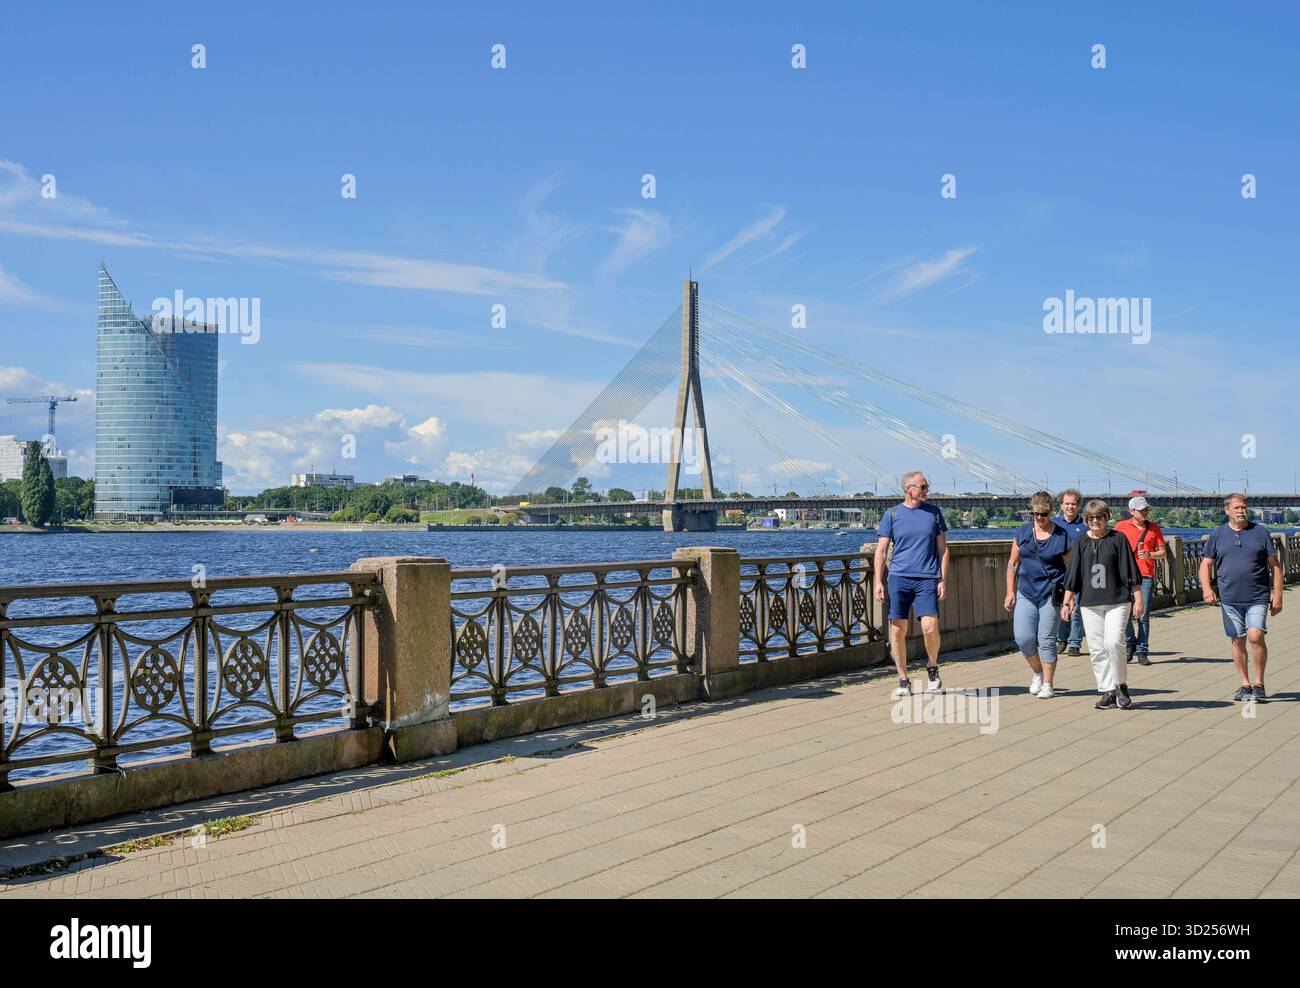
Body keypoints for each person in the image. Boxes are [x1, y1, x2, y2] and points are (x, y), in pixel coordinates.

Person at [1199, 493, 1284, 702]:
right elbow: (1205, 564)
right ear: (1227, 510)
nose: (1241, 511)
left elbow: (1275, 566)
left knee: (1255, 635)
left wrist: (1278, 595)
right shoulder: (1218, 534)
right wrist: (1207, 589)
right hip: (1229, 598)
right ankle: (1245, 684)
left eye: (1243, 507)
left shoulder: (1260, 532)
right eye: (1236, 507)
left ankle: (1259, 684)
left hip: (1257, 596)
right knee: (1237, 640)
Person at [1060, 499, 1144, 709]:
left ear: (1107, 518)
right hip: (1090, 603)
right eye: (1090, 517)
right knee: (1097, 648)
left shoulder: (1118, 539)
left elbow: (1129, 570)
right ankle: (1108, 691)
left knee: (1114, 643)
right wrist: (1066, 602)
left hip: (1117, 600)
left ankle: (1120, 685)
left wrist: (1138, 598)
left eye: (1099, 517)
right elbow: (1073, 575)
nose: (1094, 521)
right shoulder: (1081, 542)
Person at [874, 470, 950, 697]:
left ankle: (932, 666)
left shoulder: (934, 513)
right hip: (899, 577)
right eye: (923, 486)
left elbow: (943, 549)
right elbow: (881, 550)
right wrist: (878, 581)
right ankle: (903, 679)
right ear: (909, 488)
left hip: (927, 578)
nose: (927, 490)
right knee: (898, 630)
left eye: (927, 486)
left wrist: (942, 579)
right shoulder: (892, 514)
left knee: (930, 626)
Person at [1005, 492, 1070, 698]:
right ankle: (1038, 672)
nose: (1040, 518)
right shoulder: (1022, 532)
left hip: (1052, 593)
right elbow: (1013, 563)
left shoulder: (1061, 536)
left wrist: (1070, 598)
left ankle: (1048, 684)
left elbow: (1070, 569)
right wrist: (1010, 591)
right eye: (1036, 514)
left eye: (1044, 514)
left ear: (1051, 512)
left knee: (1046, 639)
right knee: (1023, 638)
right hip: (1026, 591)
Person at [1115, 495, 1167, 665]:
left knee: (1143, 615)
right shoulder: (1121, 527)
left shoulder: (1154, 528)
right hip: (1124, 575)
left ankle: (1142, 650)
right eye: (1141, 510)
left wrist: (1150, 554)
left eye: (1146, 509)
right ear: (1132, 511)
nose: (1145, 512)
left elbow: (1163, 552)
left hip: (1145, 575)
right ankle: (1130, 643)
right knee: (1124, 613)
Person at [1053, 489, 1088, 655]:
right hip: (1059, 573)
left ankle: (1075, 642)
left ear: (1078, 505)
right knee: (1061, 605)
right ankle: (1061, 638)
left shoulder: (1085, 526)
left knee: (1077, 608)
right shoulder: (1053, 524)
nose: (1070, 507)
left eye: (1073, 504)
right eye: (1067, 503)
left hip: (1080, 573)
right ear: (1061, 505)